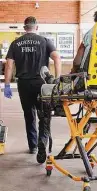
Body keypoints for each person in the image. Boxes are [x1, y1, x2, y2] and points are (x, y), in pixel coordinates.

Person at [3, 16, 61, 164]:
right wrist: (57, 79)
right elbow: (56, 58)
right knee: (44, 115)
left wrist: (8, 85)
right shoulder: (45, 41)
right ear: (36, 27)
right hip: (41, 84)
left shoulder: (15, 43)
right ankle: (43, 140)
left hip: (23, 84)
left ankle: (33, 146)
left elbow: (9, 65)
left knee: (29, 115)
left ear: (24, 28)